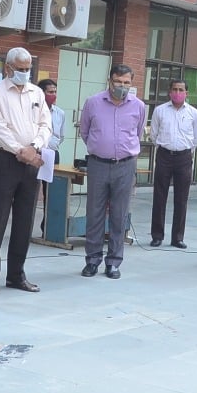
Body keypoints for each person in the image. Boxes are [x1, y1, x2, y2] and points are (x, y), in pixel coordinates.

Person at [0, 47, 51, 295]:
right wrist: (21, 150)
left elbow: (45, 124)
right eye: (20, 69)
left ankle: (16, 275)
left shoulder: (37, 93)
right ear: (8, 68)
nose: (24, 73)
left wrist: (34, 147)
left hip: (31, 163)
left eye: (27, 68)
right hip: (5, 161)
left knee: (25, 220)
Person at [79, 64, 147, 279]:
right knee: (95, 213)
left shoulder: (138, 106)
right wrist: (101, 147)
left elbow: (138, 133)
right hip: (98, 164)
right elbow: (85, 131)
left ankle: (114, 262)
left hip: (125, 165)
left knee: (119, 214)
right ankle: (92, 260)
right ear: (110, 81)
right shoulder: (93, 103)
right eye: (118, 81)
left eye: (127, 82)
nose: (122, 86)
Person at [149, 78, 197, 248]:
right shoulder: (160, 111)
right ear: (169, 92)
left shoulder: (194, 113)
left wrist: (186, 150)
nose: (177, 93)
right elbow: (154, 134)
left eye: (181, 90)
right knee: (159, 196)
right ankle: (157, 235)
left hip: (184, 157)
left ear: (186, 93)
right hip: (164, 155)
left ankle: (177, 237)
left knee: (181, 198)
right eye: (175, 89)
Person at [36, 78, 66, 236]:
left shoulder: (60, 113)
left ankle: (46, 228)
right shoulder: (34, 110)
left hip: (52, 153)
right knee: (32, 190)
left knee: (51, 192)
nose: (53, 94)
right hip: (35, 152)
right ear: (42, 93)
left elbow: (61, 136)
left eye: (55, 91)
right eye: (50, 92)